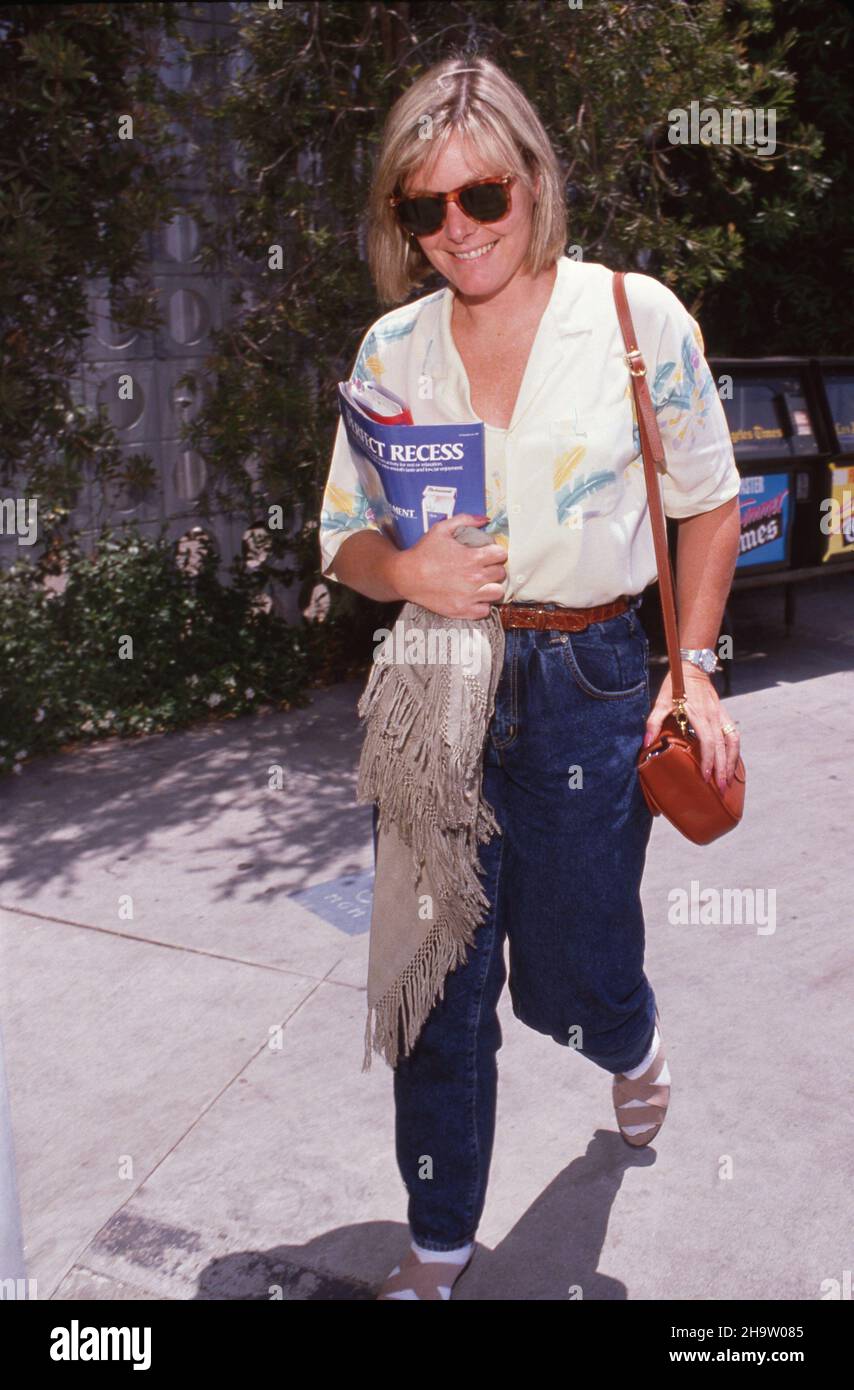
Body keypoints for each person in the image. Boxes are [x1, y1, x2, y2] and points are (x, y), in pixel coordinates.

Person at [318, 55, 743, 1301]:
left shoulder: (632, 317)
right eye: (422, 211)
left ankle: (628, 1034)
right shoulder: (391, 347)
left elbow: (707, 506)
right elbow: (342, 538)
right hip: (436, 683)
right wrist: (409, 573)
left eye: (480, 199)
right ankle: (435, 1246)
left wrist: (694, 671)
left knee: (566, 974)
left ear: (533, 185)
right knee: (437, 985)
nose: (455, 232)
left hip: (592, 676)